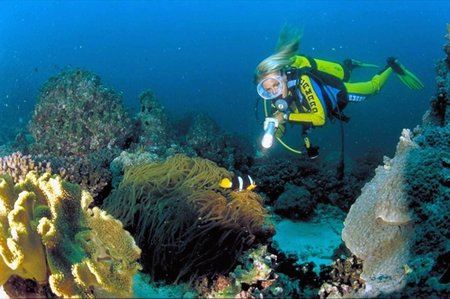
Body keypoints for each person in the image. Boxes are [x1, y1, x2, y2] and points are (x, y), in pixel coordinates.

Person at [255, 27, 424, 159]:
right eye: (266, 90)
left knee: (372, 89)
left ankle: (391, 65)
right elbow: (281, 121)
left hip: (337, 93)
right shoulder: (274, 98)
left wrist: (284, 117)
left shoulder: (303, 81)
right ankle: (349, 65)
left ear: (284, 76)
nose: (273, 92)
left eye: (275, 85)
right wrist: (272, 131)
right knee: (346, 73)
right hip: (323, 94)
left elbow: (319, 118)